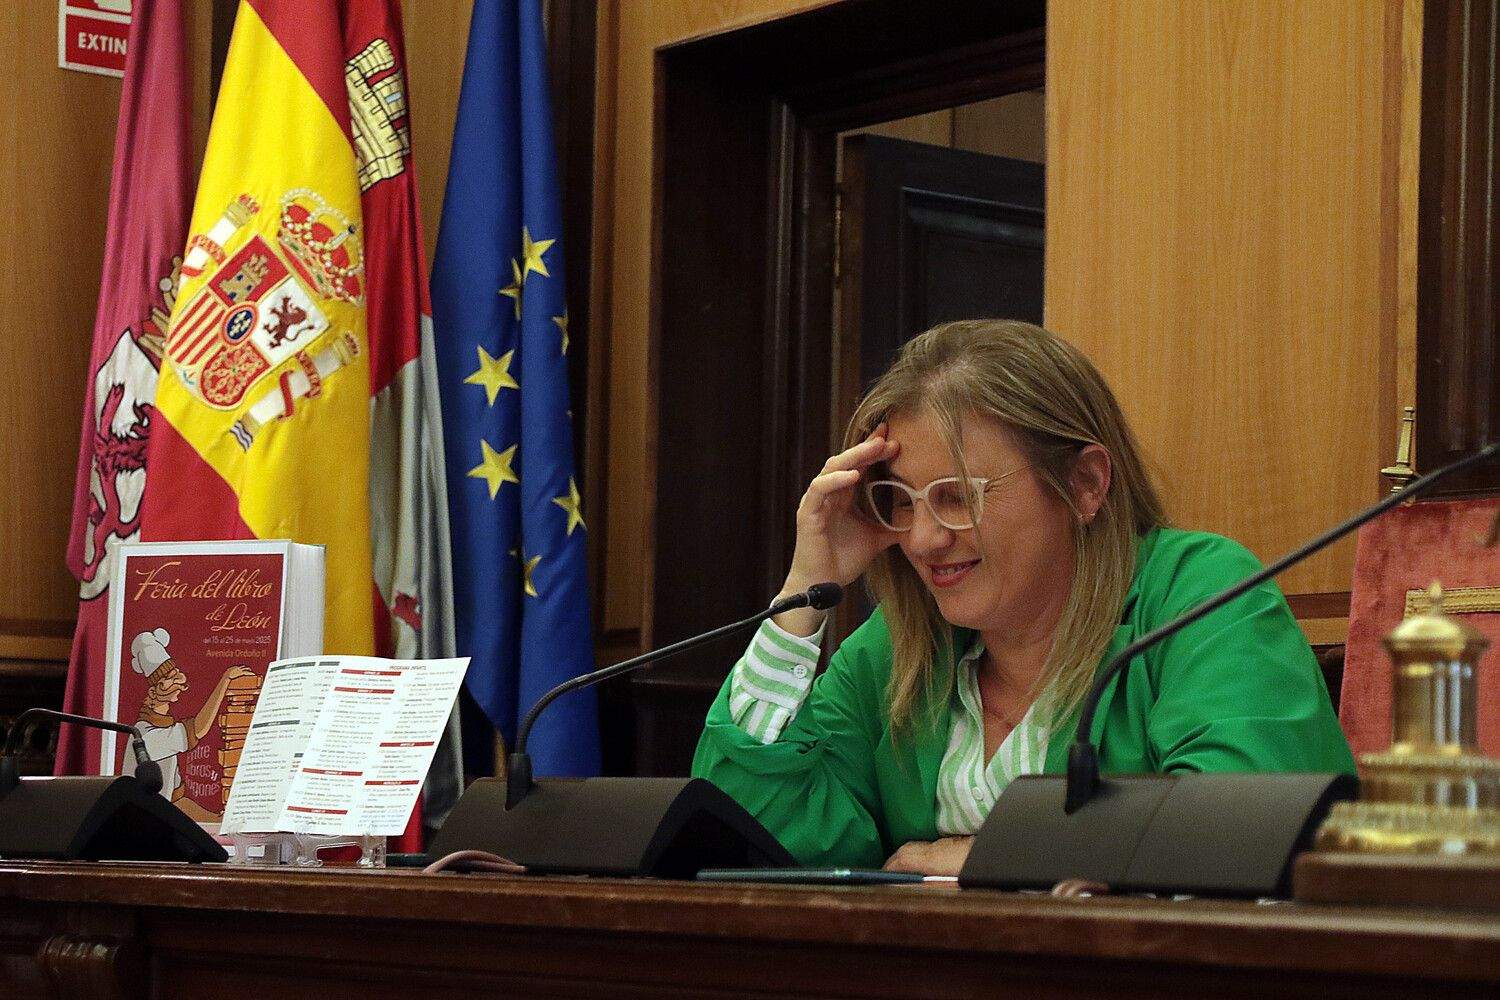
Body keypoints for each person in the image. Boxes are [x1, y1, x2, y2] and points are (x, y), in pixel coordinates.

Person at [692, 319, 1355, 875]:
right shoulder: (897, 649)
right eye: (900, 501)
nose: (922, 539)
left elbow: (1237, 834)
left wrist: (976, 859)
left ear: (1086, 483)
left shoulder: (1201, 595)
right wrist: (801, 602)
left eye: (957, 496)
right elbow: (752, 845)